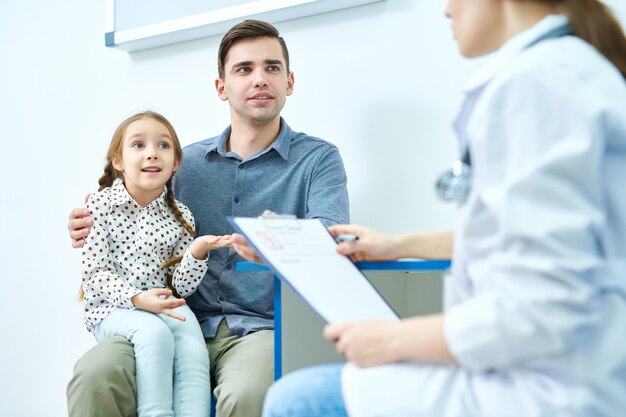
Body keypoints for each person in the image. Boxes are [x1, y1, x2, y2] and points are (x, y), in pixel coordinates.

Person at [235, 1, 626, 416]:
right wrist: (398, 243)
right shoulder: (570, 71)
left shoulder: (535, 86)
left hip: (548, 389)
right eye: (244, 69)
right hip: (567, 365)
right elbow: (527, 241)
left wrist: (393, 340)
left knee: (298, 400)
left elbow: (545, 305)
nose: (446, 11)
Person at [66, 20, 349, 417]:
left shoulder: (318, 159)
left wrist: (277, 242)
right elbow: (129, 205)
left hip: (261, 329)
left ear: (290, 82)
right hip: (169, 320)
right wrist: (87, 220)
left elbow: (331, 241)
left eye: (272, 67)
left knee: (250, 392)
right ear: (222, 88)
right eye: (244, 69)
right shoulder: (182, 162)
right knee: (95, 374)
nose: (260, 79)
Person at [81, 111, 232, 417]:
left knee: (192, 347)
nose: (152, 152)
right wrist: (137, 299)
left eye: (163, 146)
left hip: (162, 303)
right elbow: (95, 274)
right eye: (138, 145)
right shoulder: (100, 206)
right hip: (113, 307)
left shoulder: (180, 216)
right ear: (118, 161)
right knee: (153, 334)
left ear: (175, 163)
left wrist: (198, 252)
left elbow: (180, 286)